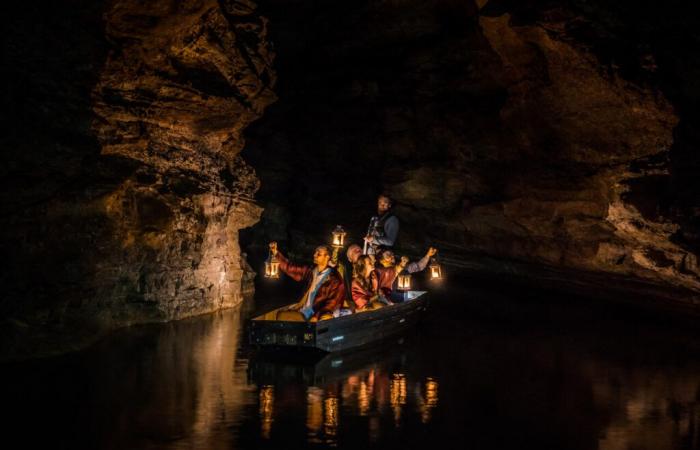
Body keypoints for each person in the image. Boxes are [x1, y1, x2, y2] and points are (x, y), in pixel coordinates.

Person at [269, 242, 345, 322]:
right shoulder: (311, 271)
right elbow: (291, 268)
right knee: (280, 314)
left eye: (318, 254)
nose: (314, 255)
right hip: (303, 310)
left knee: (281, 316)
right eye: (315, 252)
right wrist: (275, 253)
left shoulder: (334, 279)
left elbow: (333, 303)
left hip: (313, 315)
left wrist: (317, 316)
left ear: (327, 257)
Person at [374, 247, 438, 299]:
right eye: (388, 255)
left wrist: (428, 255)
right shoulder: (378, 272)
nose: (392, 256)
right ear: (381, 260)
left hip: (403, 295)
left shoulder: (400, 266)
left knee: (425, 295)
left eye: (392, 254)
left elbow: (418, 266)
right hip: (389, 298)